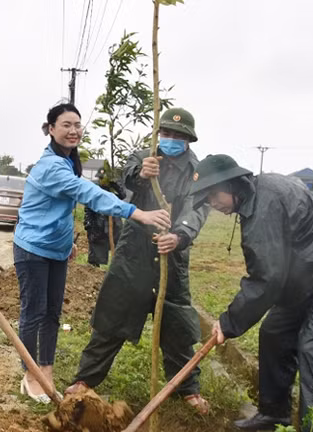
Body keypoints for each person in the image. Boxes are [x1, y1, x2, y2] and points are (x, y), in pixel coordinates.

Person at [190, 154, 313, 432]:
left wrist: (229, 322)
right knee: (274, 333)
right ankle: (275, 413)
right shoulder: (255, 197)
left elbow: (267, 278)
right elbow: (275, 272)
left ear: (231, 184)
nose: (213, 204)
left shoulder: (265, 205)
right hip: (303, 279)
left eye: (213, 195)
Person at [14, 103, 171, 403]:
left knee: (52, 313)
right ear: (50, 129)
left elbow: (59, 209)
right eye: (65, 125)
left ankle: (45, 370)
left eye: (77, 125)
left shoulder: (70, 159)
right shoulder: (50, 166)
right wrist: (136, 212)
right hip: (32, 249)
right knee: (33, 313)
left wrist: (66, 243)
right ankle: (30, 374)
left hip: (55, 250)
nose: (73, 131)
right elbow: (86, 193)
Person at [66, 107, 211, 414]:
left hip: (171, 254)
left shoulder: (197, 171)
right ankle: (85, 379)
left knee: (177, 325)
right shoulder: (144, 157)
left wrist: (180, 235)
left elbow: (197, 209)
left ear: (189, 140)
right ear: (159, 135)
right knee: (112, 316)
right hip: (134, 251)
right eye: (166, 134)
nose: (170, 140)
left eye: (178, 136)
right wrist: (142, 174)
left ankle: (187, 388)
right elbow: (128, 182)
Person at [83, 168, 126, 267]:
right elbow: (88, 209)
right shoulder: (94, 189)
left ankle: (116, 268)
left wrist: (114, 184)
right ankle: (94, 267)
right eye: (100, 178)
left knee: (118, 247)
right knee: (96, 249)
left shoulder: (112, 191)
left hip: (114, 223)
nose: (102, 180)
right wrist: (88, 224)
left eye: (104, 178)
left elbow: (123, 195)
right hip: (98, 223)